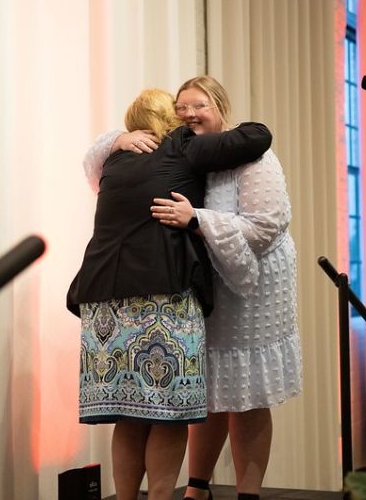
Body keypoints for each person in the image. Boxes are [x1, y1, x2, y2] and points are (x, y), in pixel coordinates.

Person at [86, 76, 302, 500]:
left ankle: (247, 493)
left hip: (250, 289)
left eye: (198, 105)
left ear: (220, 107)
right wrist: (120, 137)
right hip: (195, 289)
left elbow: (266, 226)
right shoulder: (178, 151)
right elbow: (93, 163)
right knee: (205, 395)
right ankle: (197, 487)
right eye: (180, 107)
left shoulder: (251, 157)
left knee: (247, 395)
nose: (188, 114)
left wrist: (198, 218)